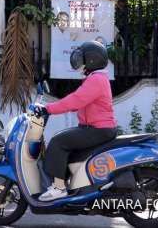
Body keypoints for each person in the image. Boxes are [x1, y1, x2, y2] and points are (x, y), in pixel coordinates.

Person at [34, 40, 117, 201]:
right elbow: (78, 101)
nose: (80, 61)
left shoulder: (96, 80)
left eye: (83, 58)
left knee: (58, 142)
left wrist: (48, 109)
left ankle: (59, 188)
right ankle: (68, 184)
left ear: (92, 60)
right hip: (94, 128)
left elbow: (75, 100)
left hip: (97, 129)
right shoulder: (96, 78)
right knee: (67, 144)